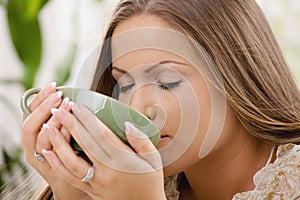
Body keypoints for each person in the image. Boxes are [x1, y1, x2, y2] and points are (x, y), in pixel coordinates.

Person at [21, 0, 300, 199]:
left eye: (167, 82)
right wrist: (75, 195)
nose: (137, 108)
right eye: (123, 84)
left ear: (239, 74)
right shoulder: (125, 183)